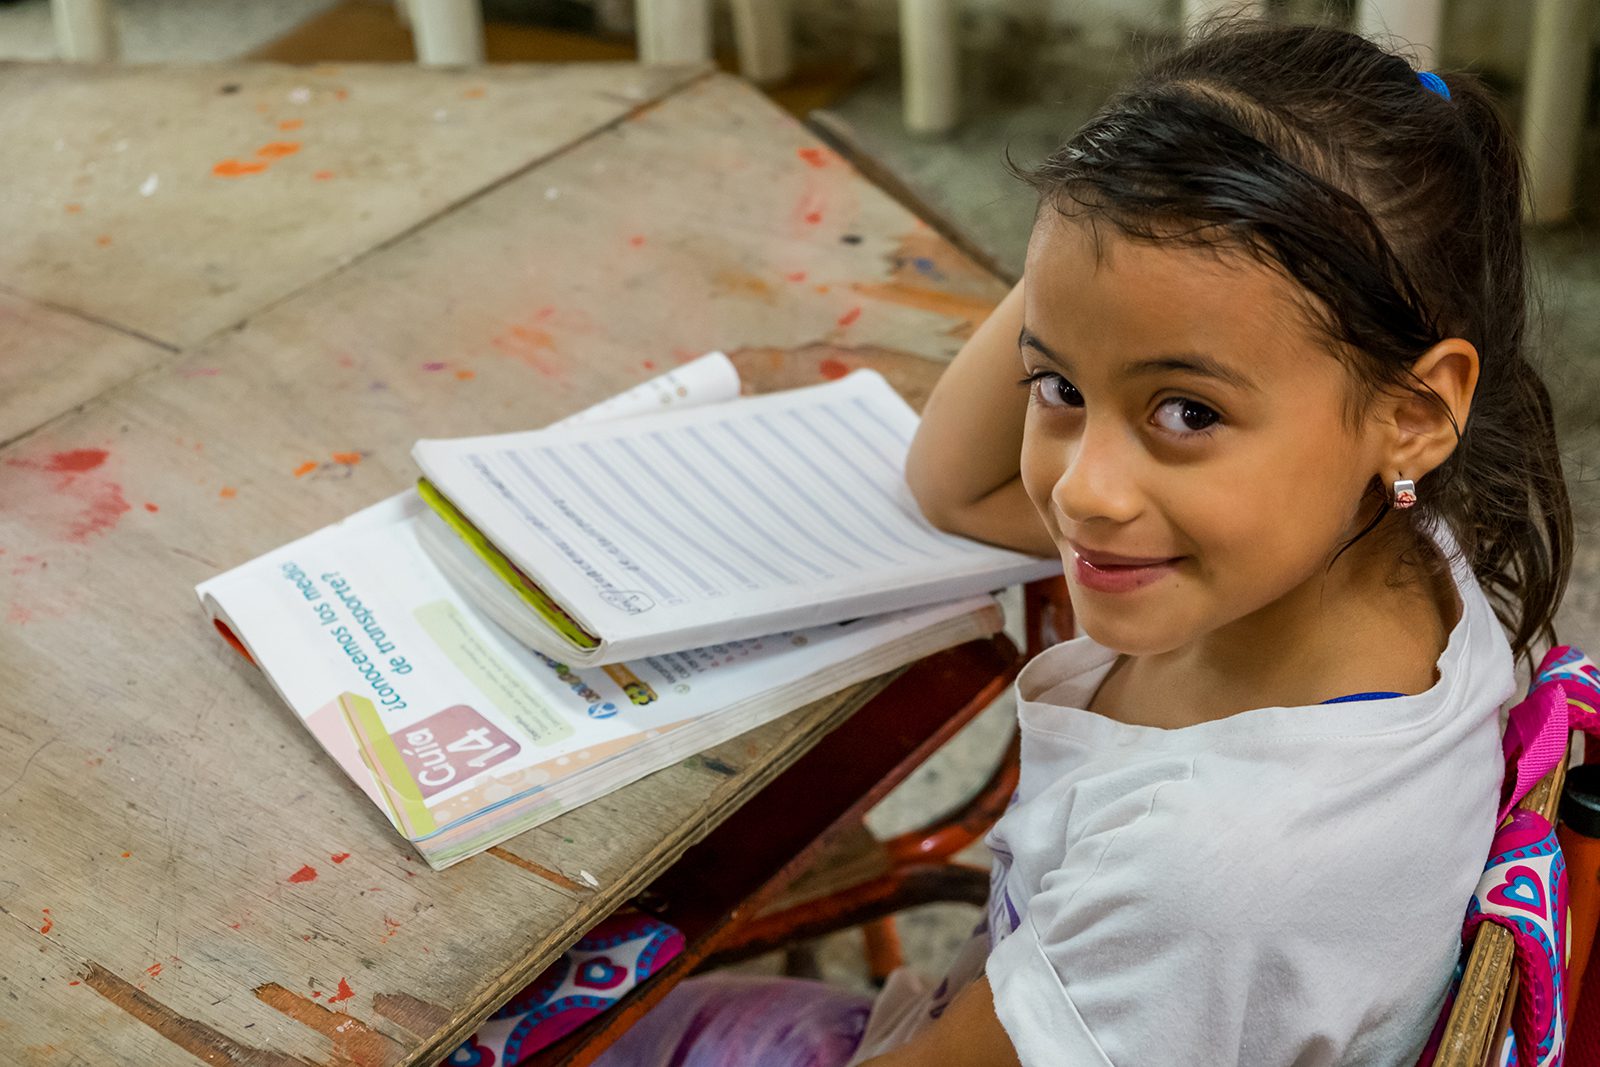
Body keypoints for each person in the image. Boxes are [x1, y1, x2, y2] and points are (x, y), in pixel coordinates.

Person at [589, 16, 1574, 1066]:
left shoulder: (1205, 879)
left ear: (1414, 411)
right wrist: (1113, 243)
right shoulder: (1383, 527)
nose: (1082, 491)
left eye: (1186, 411)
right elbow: (954, 486)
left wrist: (1117, 289)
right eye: (1057, 387)